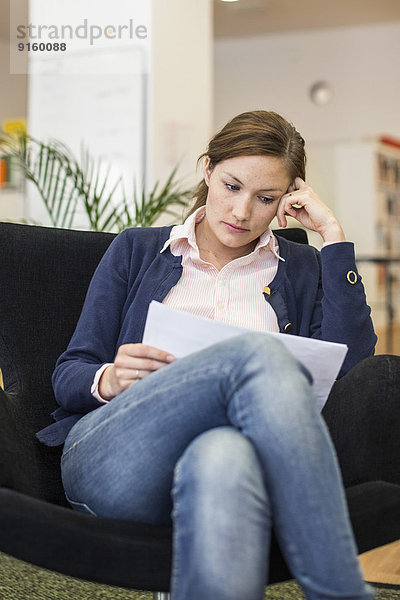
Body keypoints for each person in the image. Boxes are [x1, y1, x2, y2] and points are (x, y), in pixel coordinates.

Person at [37, 110, 377, 600]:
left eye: (266, 198)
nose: (241, 213)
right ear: (207, 170)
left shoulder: (304, 268)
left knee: (223, 458)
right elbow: (69, 372)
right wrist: (109, 378)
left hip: (242, 462)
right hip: (117, 458)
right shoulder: (137, 250)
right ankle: (339, 589)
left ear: (289, 199)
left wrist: (334, 239)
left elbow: (353, 370)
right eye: (231, 186)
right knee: (255, 355)